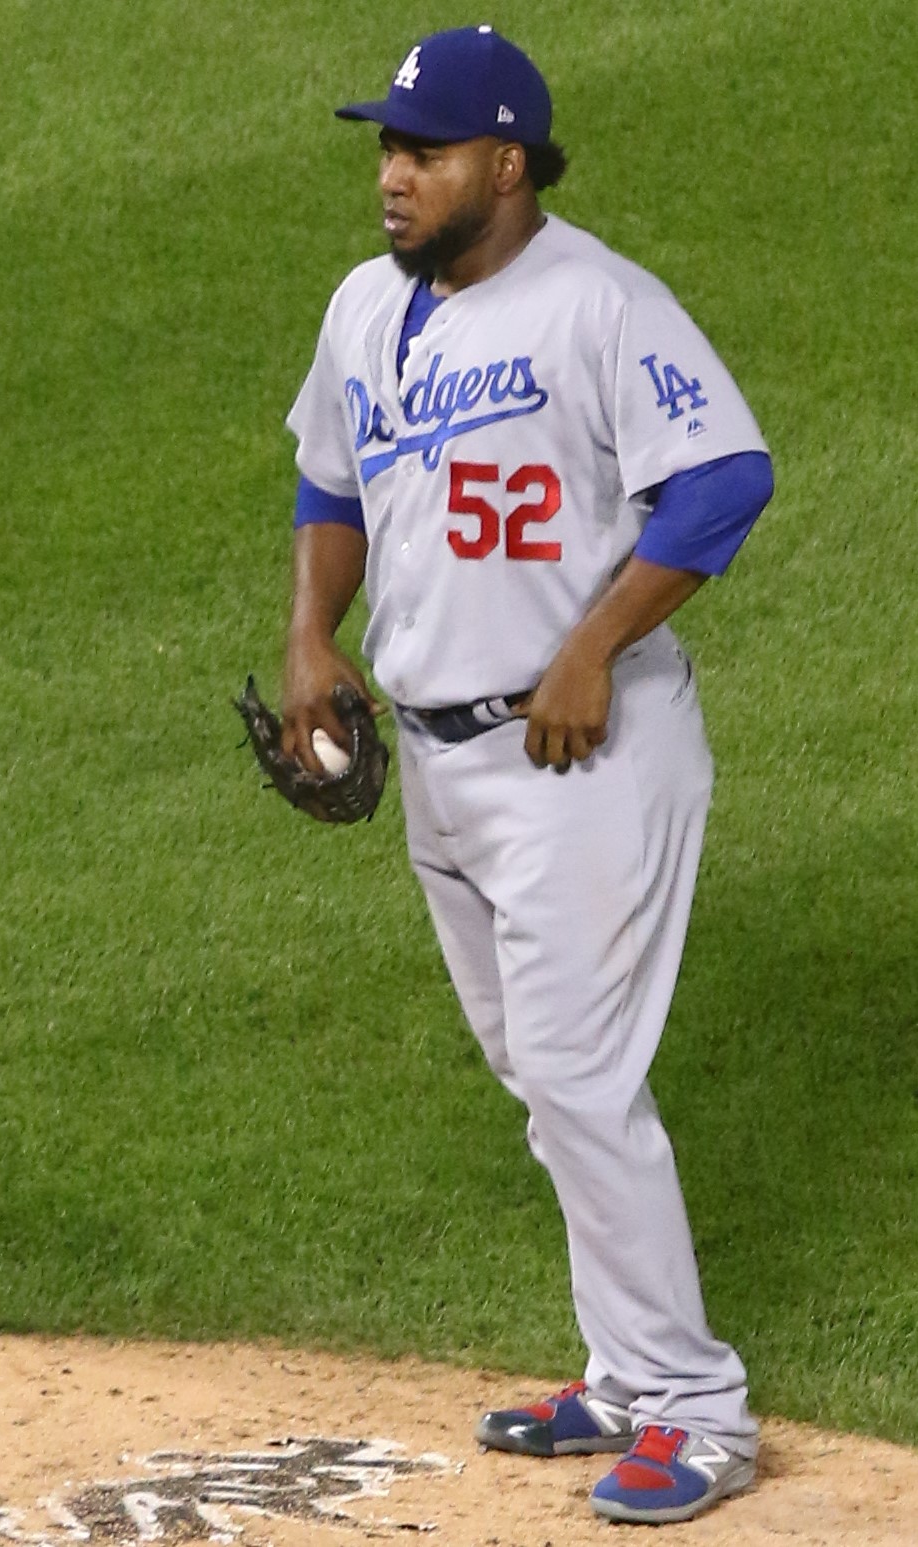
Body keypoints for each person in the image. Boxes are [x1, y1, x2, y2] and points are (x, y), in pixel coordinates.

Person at [277, 25, 773, 1527]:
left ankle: (698, 1409)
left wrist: (589, 647)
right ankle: (622, 1377)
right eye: (386, 148)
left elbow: (725, 478)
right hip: (437, 763)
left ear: (506, 162)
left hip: (584, 754)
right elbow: (329, 476)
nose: (392, 176)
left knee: (577, 1077)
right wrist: (313, 636)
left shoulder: (603, 306)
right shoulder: (369, 307)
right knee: (541, 1081)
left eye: (422, 153)